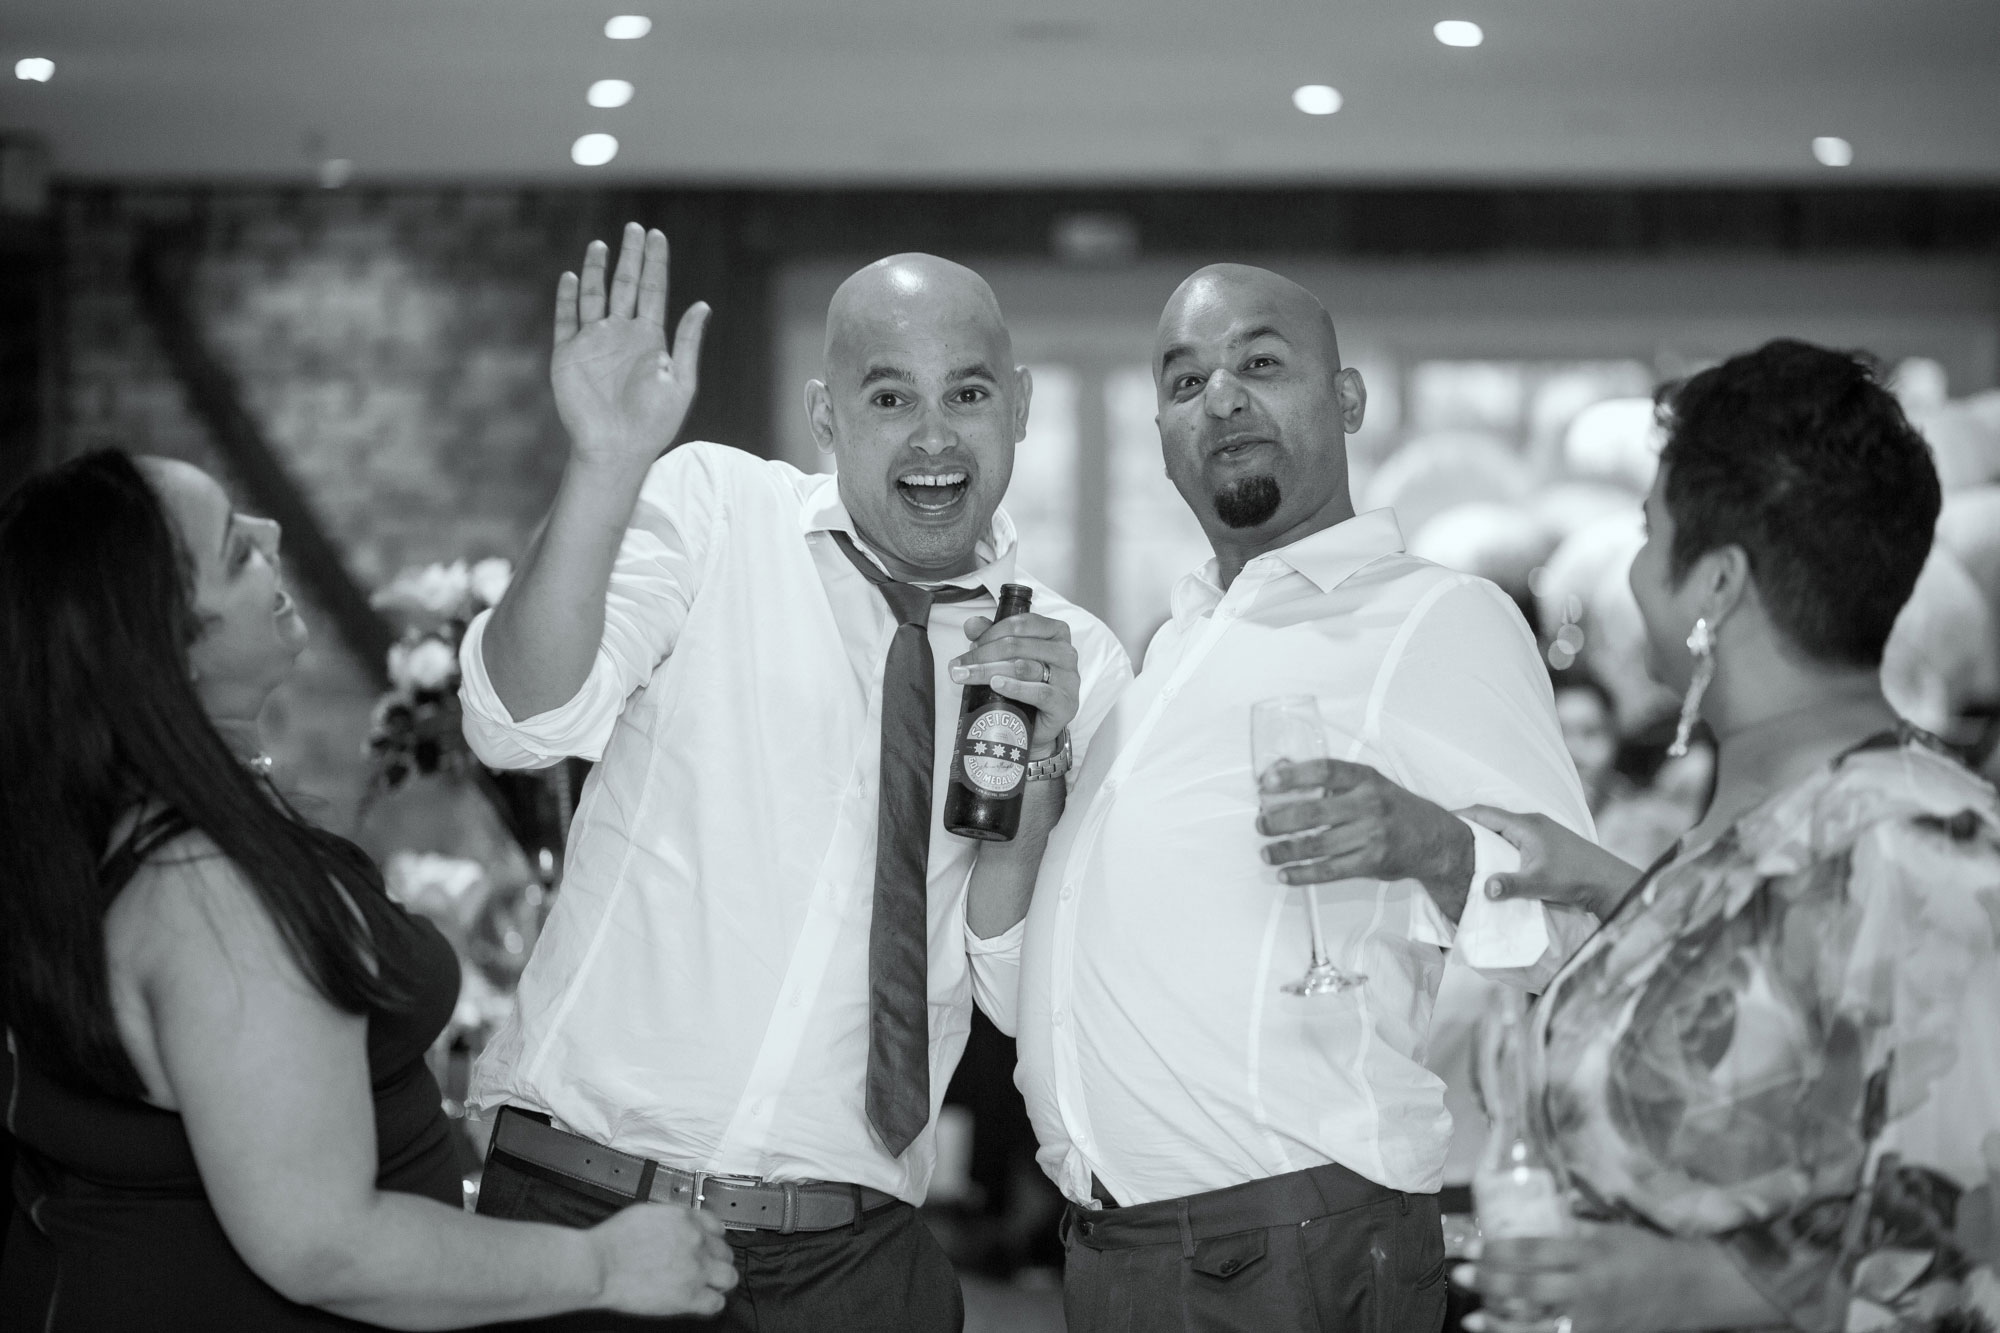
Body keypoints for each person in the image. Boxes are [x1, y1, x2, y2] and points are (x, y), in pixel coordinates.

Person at [458, 225, 1129, 1329]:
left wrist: (1042, 768)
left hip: (851, 1266)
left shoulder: (1072, 659)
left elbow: (1012, 986)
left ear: (1016, 406)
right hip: (587, 1210)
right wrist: (604, 466)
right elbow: (518, 720)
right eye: (886, 398)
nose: (931, 436)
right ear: (825, 417)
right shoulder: (720, 513)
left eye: (965, 394)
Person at [0, 451, 737, 1330]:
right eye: (237, 548)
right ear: (167, 646)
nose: (272, 535)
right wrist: (605, 1263)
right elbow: (327, 1243)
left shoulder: (114, 825)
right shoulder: (209, 890)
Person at [1012, 263, 1598, 1333]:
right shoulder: (1177, 636)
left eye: (1261, 364)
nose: (1220, 397)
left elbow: (1581, 931)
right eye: (1183, 383)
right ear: (1158, 430)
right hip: (1119, 1254)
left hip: (1289, 1248)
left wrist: (1433, 844)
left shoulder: (1437, 616)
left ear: (1347, 400)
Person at [1460, 339, 2000, 1332]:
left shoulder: (1927, 847)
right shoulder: (1756, 825)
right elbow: (1771, 1000)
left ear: (1713, 583)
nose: (1625, 567)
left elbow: (1973, 1250)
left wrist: (1689, 1288)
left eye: (1644, 529)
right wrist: (1595, 882)